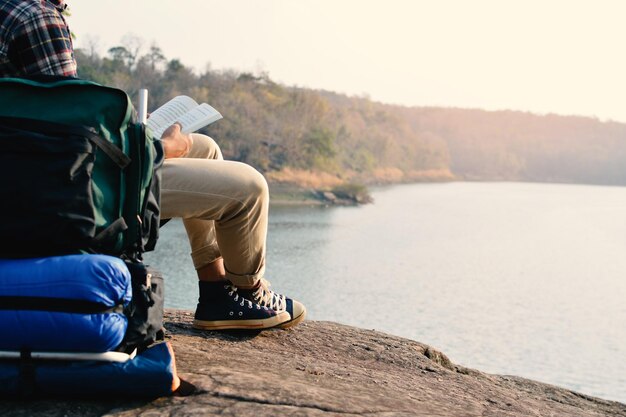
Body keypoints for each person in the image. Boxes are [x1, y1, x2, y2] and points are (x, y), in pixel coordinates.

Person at [0, 0, 305, 330]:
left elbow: (46, 130)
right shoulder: (37, 18)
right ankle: (251, 290)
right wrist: (158, 147)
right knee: (250, 187)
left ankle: (216, 289)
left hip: (26, 180)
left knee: (203, 149)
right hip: (62, 197)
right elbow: (67, 148)